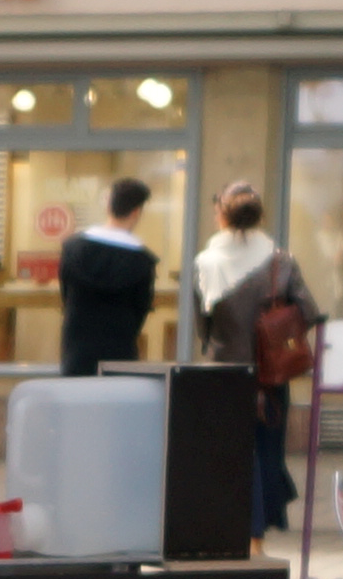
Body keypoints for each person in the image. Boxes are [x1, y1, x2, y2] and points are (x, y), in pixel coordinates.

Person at [186, 181, 317, 534]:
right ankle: (266, 518)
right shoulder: (281, 261)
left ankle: (239, 522)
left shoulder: (206, 262)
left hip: (224, 369)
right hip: (271, 369)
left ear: (221, 215)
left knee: (229, 449)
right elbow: (308, 310)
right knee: (267, 445)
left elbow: (203, 322)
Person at [57, 176, 161, 376]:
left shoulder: (73, 249)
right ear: (136, 212)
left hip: (77, 350)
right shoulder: (142, 262)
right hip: (120, 349)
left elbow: (66, 296)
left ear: (108, 207)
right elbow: (140, 310)